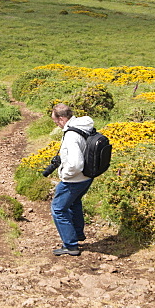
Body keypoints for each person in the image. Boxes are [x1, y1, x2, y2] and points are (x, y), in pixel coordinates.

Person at [49, 103, 94, 256]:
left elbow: (75, 163)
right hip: (87, 177)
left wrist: (65, 175)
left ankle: (70, 245)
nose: (56, 125)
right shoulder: (83, 126)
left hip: (74, 180)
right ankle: (78, 234)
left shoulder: (71, 135)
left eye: (56, 122)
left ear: (62, 119)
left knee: (58, 209)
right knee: (74, 203)